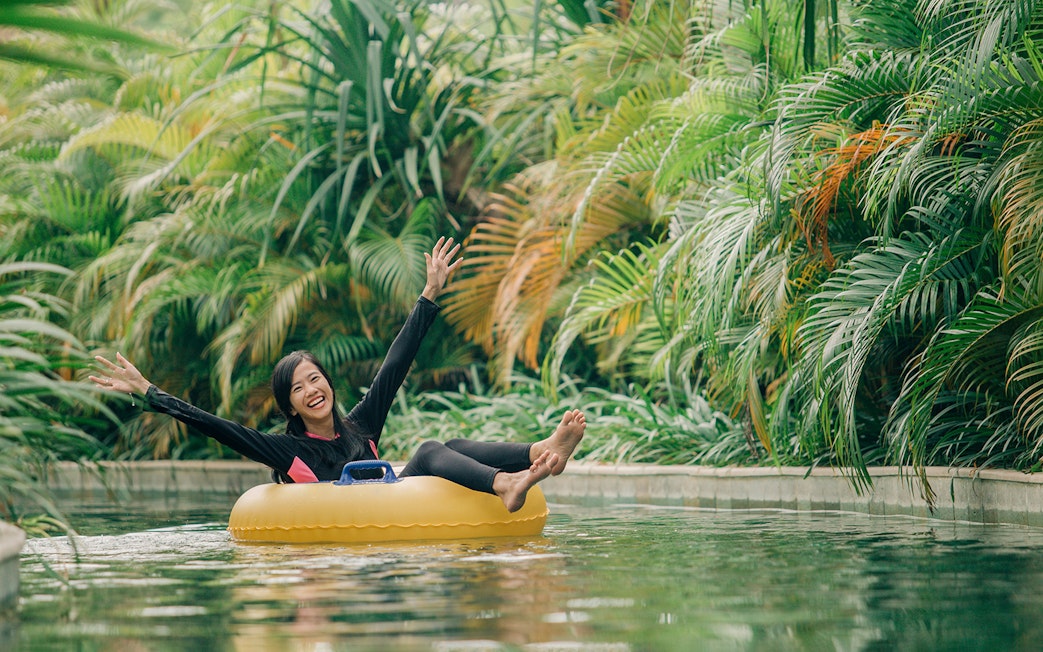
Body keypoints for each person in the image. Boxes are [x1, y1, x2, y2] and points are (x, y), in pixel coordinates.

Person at [90, 236, 586, 513]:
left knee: (445, 445)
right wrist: (151, 394)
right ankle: (504, 484)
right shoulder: (287, 450)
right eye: (298, 388)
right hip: (342, 549)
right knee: (428, 450)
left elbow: (395, 364)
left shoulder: (359, 427)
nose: (312, 389)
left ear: (328, 382)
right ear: (289, 406)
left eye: (315, 378)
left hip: (389, 509)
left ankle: (538, 452)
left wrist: (429, 294)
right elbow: (217, 427)